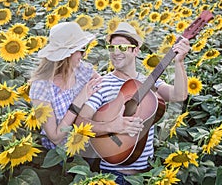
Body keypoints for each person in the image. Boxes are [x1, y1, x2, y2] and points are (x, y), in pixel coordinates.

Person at [75, 22, 190, 184]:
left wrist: (179, 62)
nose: (116, 52)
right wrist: (113, 126)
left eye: (122, 47)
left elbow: (179, 95)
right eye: (112, 48)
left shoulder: (150, 83)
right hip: (112, 176)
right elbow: (80, 123)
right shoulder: (102, 84)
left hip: (147, 175)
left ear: (136, 51)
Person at [29, 22, 102, 149]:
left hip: (90, 143)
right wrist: (79, 101)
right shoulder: (41, 88)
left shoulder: (82, 70)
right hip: (62, 154)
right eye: (80, 50)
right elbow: (55, 137)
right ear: (67, 55)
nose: (84, 54)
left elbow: (103, 86)